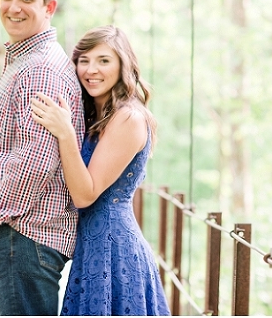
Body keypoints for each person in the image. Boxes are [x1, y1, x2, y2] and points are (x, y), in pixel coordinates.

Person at [0, 0, 85, 316]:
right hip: (19, 236)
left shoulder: (40, 70)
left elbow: (37, 158)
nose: (13, 8)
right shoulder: (27, 61)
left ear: (49, 7)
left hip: (19, 235)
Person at [31, 25, 170, 316]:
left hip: (114, 252)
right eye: (84, 60)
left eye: (104, 60)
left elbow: (85, 194)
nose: (91, 70)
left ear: (123, 65)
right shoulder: (94, 115)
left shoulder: (129, 118)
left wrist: (65, 133)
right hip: (91, 250)